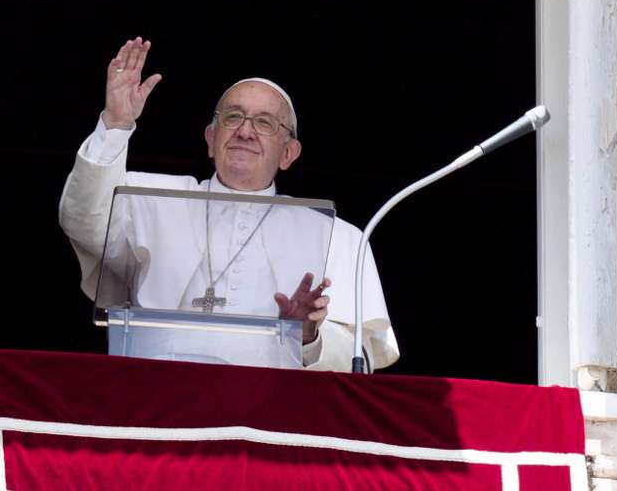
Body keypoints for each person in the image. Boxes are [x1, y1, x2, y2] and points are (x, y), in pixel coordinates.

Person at [59, 37, 398, 371]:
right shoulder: (147, 198)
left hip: (269, 414)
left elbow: (361, 361)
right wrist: (115, 125)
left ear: (288, 153)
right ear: (211, 139)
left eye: (264, 122)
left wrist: (309, 335)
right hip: (156, 401)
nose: (245, 132)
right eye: (233, 117)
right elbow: (83, 220)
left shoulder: (337, 236)